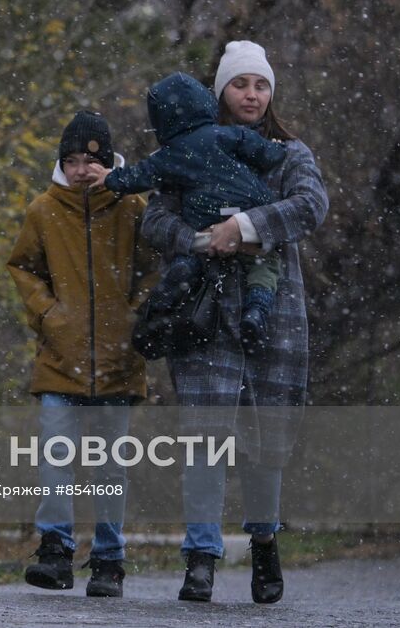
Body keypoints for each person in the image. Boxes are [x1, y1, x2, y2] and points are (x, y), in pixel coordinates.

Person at [140, 41, 329, 604]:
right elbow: (154, 217)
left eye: (261, 85)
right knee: (206, 436)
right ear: (221, 90)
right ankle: (200, 557)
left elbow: (311, 205)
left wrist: (246, 224)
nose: (252, 94)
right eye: (241, 84)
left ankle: (265, 545)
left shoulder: (290, 152)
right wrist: (201, 239)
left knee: (268, 437)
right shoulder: (191, 149)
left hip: (277, 313)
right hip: (202, 309)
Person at [6, 110, 155, 598]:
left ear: (110, 161)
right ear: (60, 164)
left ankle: (109, 558)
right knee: (55, 456)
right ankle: (55, 549)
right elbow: (24, 267)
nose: (81, 170)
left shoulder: (133, 208)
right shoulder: (43, 210)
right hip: (59, 357)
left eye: (91, 161)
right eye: (71, 160)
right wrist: (49, 315)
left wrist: (134, 317)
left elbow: (154, 272)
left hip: (118, 357)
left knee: (111, 465)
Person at [85, 71, 286, 356]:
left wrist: (110, 178)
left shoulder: (169, 155)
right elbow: (259, 149)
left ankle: (180, 276)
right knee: (266, 263)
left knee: (195, 257)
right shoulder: (227, 134)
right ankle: (257, 309)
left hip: (204, 215)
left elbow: (140, 175)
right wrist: (275, 152)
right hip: (250, 205)